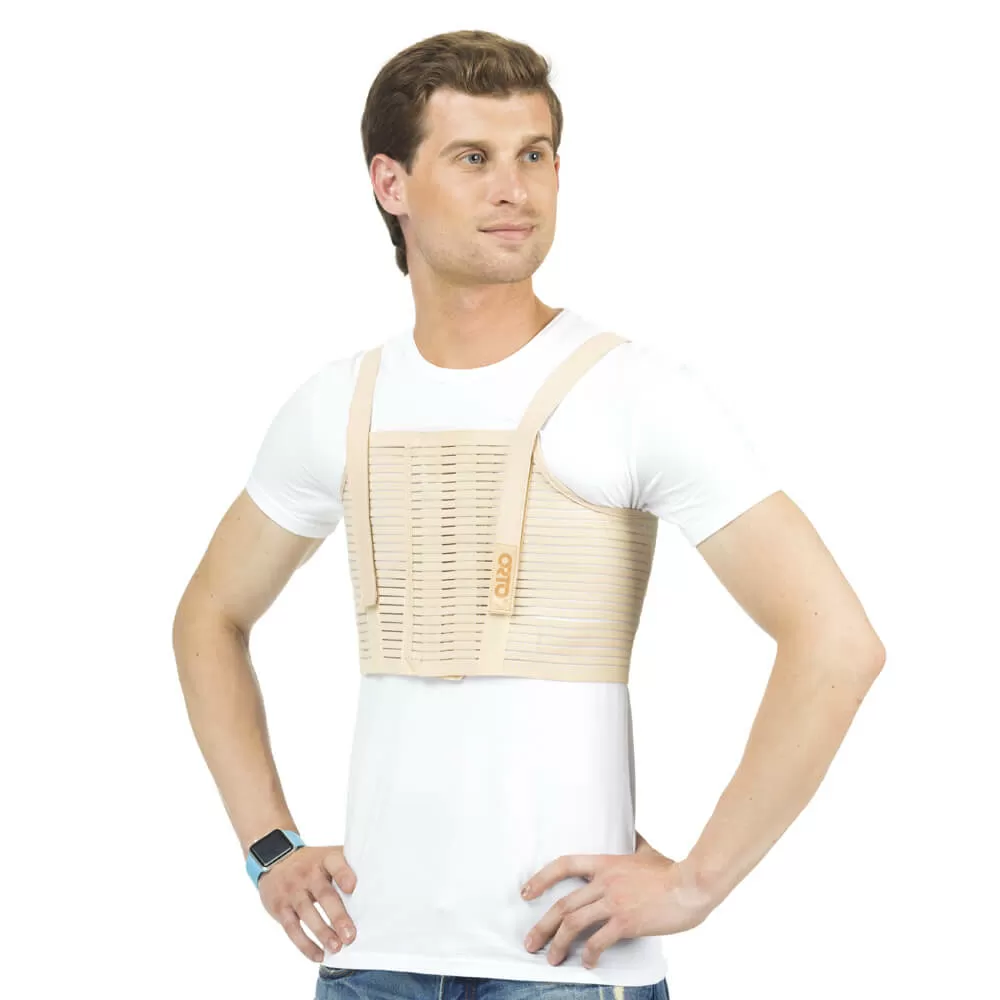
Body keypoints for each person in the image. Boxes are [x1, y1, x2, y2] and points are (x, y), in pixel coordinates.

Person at [172, 29, 886, 1000]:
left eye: (535, 154)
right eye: (474, 158)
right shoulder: (339, 404)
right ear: (391, 183)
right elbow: (209, 616)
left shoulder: (633, 392)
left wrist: (697, 882)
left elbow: (836, 640)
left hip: (567, 970)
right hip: (373, 958)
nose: (516, 188)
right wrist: (269, 846)